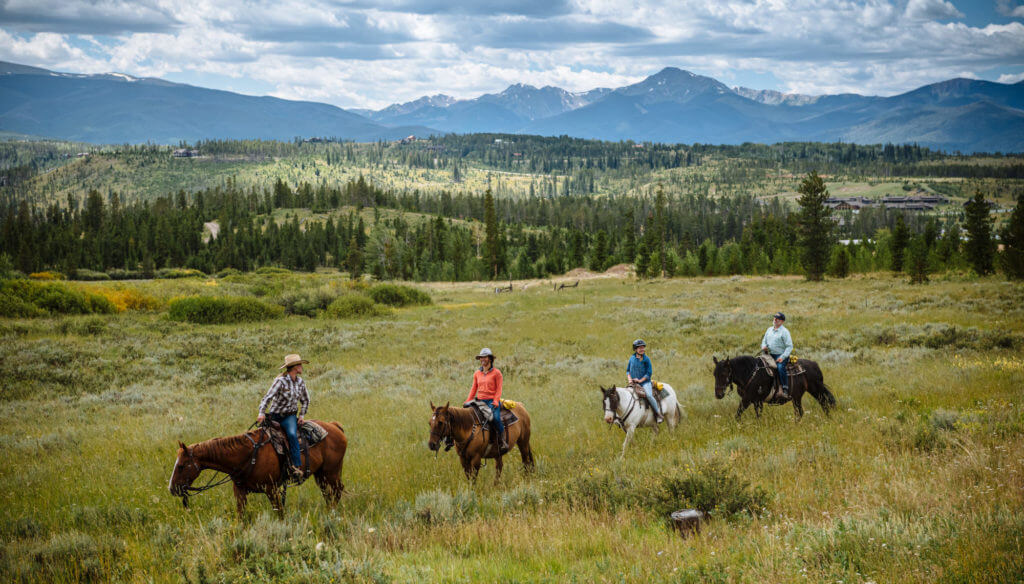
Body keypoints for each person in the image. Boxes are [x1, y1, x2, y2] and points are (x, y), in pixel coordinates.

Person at [257, 353, 310, 481]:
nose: (302, 367)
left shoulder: (300, 382)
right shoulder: (280, 381)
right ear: (294, 367)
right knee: (260, 437)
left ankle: (296, 467)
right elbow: (267, 397)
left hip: (289, 417)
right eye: (300, 365)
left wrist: (302, 415)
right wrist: (261, 412)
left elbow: (305, 400)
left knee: (291, 434)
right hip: (275, 416)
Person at [464, 347, 507, 452]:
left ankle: (503, 440)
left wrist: (496, 401)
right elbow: (474, 388)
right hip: (479, 400)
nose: (483, 359)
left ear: (490, 359)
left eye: (485, 357)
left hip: (492, 400)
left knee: (495, 418)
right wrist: (468, 400)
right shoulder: (477, 373)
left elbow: (499, 389)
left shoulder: (497, 373)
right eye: (481, 357)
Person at [627, 339, 663, 423]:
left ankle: (658, 414)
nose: (642, 349)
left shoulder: (646, 359)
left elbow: (649, 373)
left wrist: (639, 380)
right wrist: (629, 379)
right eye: (640, 348)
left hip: (645, 382)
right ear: (635, 349)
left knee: (649, 395)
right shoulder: (631, 358)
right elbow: (628, 370)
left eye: (643, 347)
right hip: (633, 382)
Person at [761, 312, 793, 400]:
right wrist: (763, 346)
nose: (775, 320)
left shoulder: (785, 332)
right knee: (760, 365)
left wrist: (782, 357)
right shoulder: (769, 329)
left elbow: (790, 346)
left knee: (779, 367)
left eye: (777, 319)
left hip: (781, 355)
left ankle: (785, 388)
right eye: (774, 318)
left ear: (782, 321)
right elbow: (764, 340)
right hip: (769, 354)